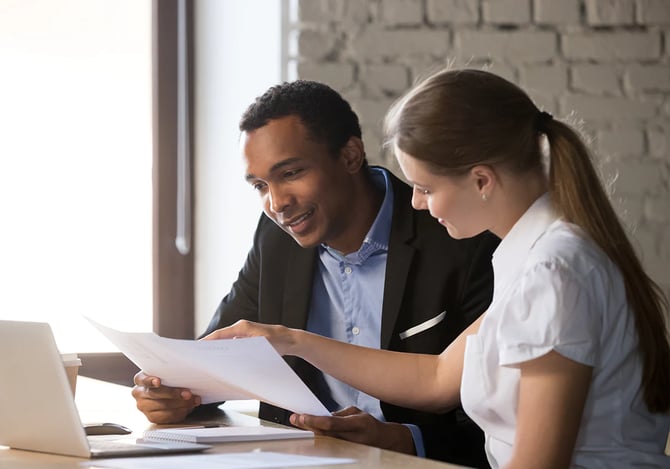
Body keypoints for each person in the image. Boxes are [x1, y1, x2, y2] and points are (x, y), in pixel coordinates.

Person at [205, 69, 670, 468]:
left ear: (481, 180)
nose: (416, 203)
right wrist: (292, 341)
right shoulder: (531, 256)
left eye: (425, 187)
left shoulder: (554, 271)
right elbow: (438, 378)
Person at [132, 80, 500, 467]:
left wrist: (406, 439)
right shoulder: (275, 241)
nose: (277, 204)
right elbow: (219, 353)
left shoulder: (460, 240)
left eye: (290, 173)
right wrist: (174, 392)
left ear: (351, 155)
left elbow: (501, 419)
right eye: (260, 185)